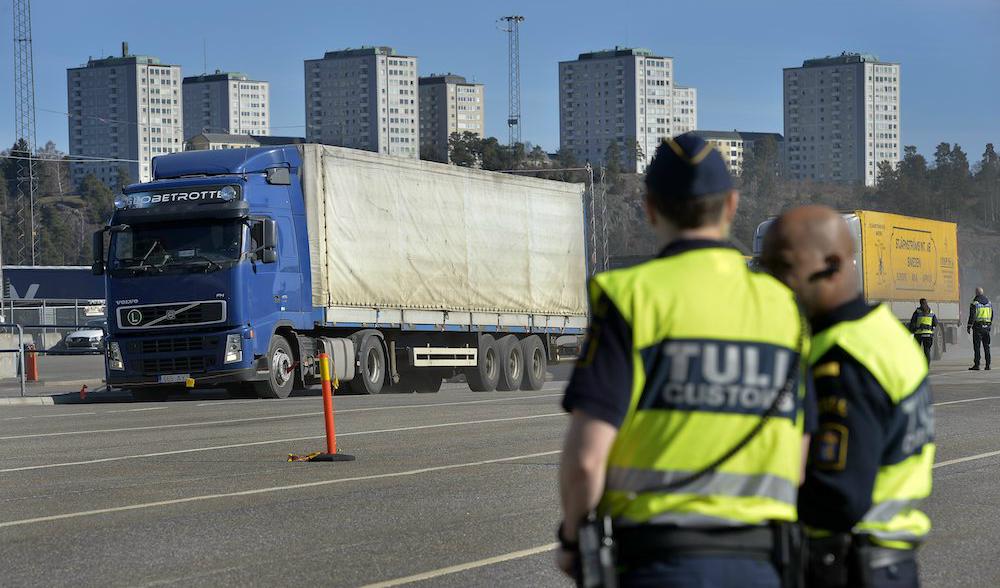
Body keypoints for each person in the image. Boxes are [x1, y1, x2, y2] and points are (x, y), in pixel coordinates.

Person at [556, 133, 813, 588]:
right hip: (762, 563)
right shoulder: (786, 309)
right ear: (731, 206)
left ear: (650, 207)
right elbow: (799, 453)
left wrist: (575, 540)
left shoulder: (629, 297)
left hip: (659, 562)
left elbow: (586, 460)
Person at [760, 205, 934, 588]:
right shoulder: (882, 336)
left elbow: (839, 496)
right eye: (766, 266)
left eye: (784, 267)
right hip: (885, 562)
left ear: (834, 262)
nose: (772, 281)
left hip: (846, 566)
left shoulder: (844, 360)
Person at [967, 287, 992, 370]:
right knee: (986, 346)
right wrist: (989, 324)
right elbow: (992, 315)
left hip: (978, 328)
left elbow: (972, 316)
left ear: (976, 293)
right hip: (987, 327)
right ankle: (988, 365)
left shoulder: (975, 303)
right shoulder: (989, 302)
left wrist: (969, 326)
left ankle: (977, 365)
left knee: (977, 347)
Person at [908, 299, 936, 364]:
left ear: (920, 304)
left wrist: (912, 330)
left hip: (919, 334)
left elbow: (913, 322)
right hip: (928, 335)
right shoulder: (931, 312)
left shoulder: (917, 312)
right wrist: (931, 329)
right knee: (927, 351)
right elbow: (935, 323)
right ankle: (927, 366)